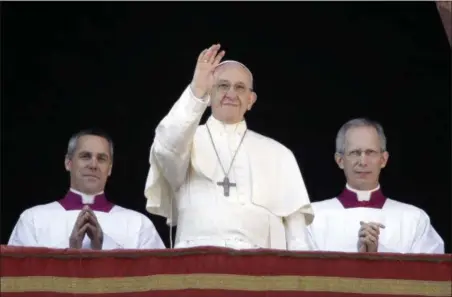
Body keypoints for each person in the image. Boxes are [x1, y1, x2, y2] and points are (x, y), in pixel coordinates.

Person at [144, 44, 314, 250]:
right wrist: (197, 89)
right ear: (209, 94)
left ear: (251, 100)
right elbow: (165, 148)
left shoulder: (279, 154)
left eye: (240, 87)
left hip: (260, 269)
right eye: (223, 86)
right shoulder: (186, 141)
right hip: (195, 261)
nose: (231, 94)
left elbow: (297, 237)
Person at [8, 129, 165, 250]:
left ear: (109, 169)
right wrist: (70, 253)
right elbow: (18, 280)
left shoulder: (139, 225)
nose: (93, 165)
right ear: (68, 163)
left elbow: (155, 284)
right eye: (85, 156)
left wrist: (103, 247)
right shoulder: (33, 220)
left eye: (101, 159)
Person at [307, 118, 444, 253]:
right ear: (340, 160)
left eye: (370, 152)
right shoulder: (312, 217)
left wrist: (377, 257)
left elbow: (430, 272)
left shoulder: (414, 219)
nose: (363, 161)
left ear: (383, 159)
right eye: (355, 153)